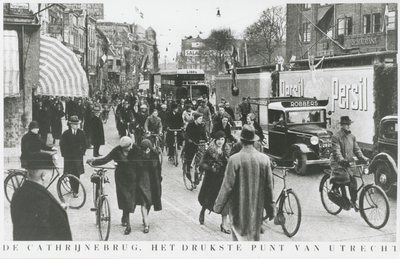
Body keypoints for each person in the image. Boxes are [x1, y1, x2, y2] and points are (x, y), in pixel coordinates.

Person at [214, 125, 275, 241]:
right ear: (254, 141)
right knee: (253, 240)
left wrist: (218, 206)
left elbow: (227, 186)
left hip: (238, 209)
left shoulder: (234, 159)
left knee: (239, 240)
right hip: (257, 210)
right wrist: (271, 209)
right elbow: (269, 187)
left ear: (241, 140)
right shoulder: (264, 159)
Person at [11, 152, 72, 240]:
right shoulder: (39, 198)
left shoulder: (21, 192)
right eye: (51, 172)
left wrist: (55, 209)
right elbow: (43, 237)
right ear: (43, 175)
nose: (51, 176)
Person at [330, 116, 370, 211]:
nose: (348, 126)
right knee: (344, 177)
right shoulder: (336, 137)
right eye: (346, 124)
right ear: (342, 125)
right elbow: (336, 151)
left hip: (348, 164)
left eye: (349, 124)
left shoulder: (352, 137)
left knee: (353, 183)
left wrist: (364, 158)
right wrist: (341, 160)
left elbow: (356, 150)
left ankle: (353, 201)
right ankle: (334, 189)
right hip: (338, 163)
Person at [198, 131, 231, 234]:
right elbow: (201, 163)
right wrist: (210, 167)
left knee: (224, 200)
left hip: (222, 178)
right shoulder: (210, 151)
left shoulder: (227, 150)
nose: (221, 142)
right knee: (208, 198)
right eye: (219, 139)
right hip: (211, 178)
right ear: (215, 140)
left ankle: (224, 224)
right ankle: (203, 211)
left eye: (222, 139)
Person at [136, 139, 163, 234]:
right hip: (142, 181)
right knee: (144, 202)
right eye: (145, 150)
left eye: (148, 149)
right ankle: (146, 224)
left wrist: (159, 178)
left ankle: (145, 217)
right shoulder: (138, 155)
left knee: (150, 202)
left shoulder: (154, 154)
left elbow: (158, 168)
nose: (147, 151)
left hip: (153, 181)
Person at [60, 116, 87, 197]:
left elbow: (85, 144)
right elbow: (62, 145)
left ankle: (76, 190)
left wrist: (82, 152)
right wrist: (64, 154)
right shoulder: (66, 133)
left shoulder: (81, 133)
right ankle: (72, 187)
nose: (76, 126)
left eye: (77, 124)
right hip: (68, 157)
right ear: (70, 125)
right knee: (70, 173)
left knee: (77, 173)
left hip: (78, 157)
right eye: (74, 124)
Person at [184, 112, 207, 185]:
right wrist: (189, 140)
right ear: (196, 119)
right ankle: (188, 170)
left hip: (198, 144)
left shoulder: (201, 125)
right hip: (191, 144)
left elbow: (203, 134)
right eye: (200, 119)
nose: (201, 120)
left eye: (202, 118)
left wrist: (206, 141)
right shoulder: (190, 125)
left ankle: (199, 170)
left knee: (201, 157)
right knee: (189, 157)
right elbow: (186, 134)